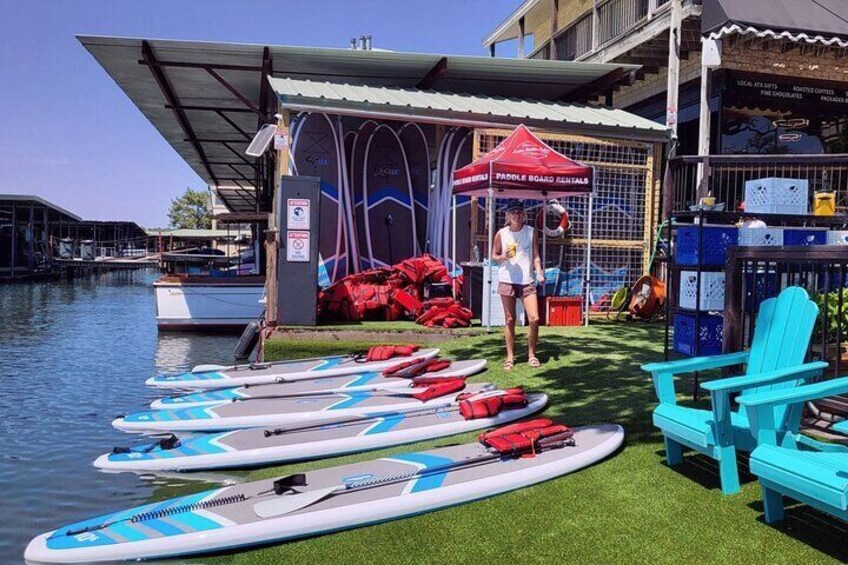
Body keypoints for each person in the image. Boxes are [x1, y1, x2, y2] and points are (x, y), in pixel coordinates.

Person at [491, 199, 544, 371]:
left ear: (524, 214)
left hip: (527, 280)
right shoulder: (501, 233)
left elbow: (536, 255)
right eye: (513, 212)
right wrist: (502, 257)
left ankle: (531, 354)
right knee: (509, 319)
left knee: (534, 318)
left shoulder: (531, 232)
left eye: (519, 212)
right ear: (508, 215)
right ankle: (510, 357)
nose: (516, 215)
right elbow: (494, 255)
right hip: (507, 278)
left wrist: (540, 272)